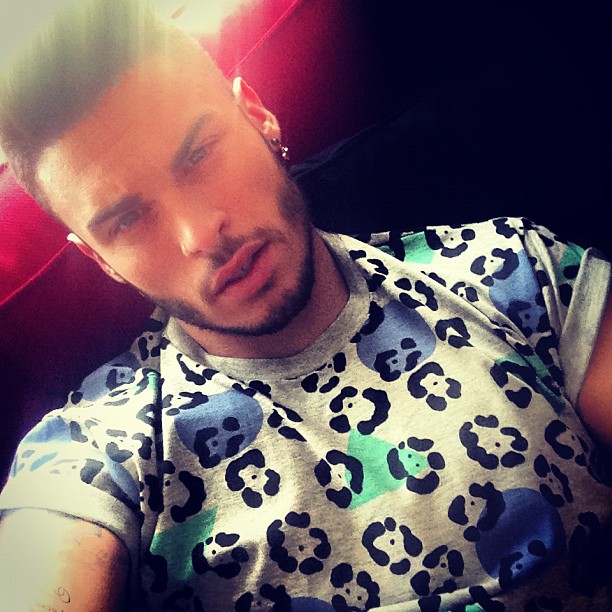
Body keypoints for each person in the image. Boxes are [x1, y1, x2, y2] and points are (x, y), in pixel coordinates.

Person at [0, 1, 610, 610]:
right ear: (101, 259)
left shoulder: (514, 269)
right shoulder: (97, 449)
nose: (200, 234)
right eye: (128, 220)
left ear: (256, 115)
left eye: (198, 155)